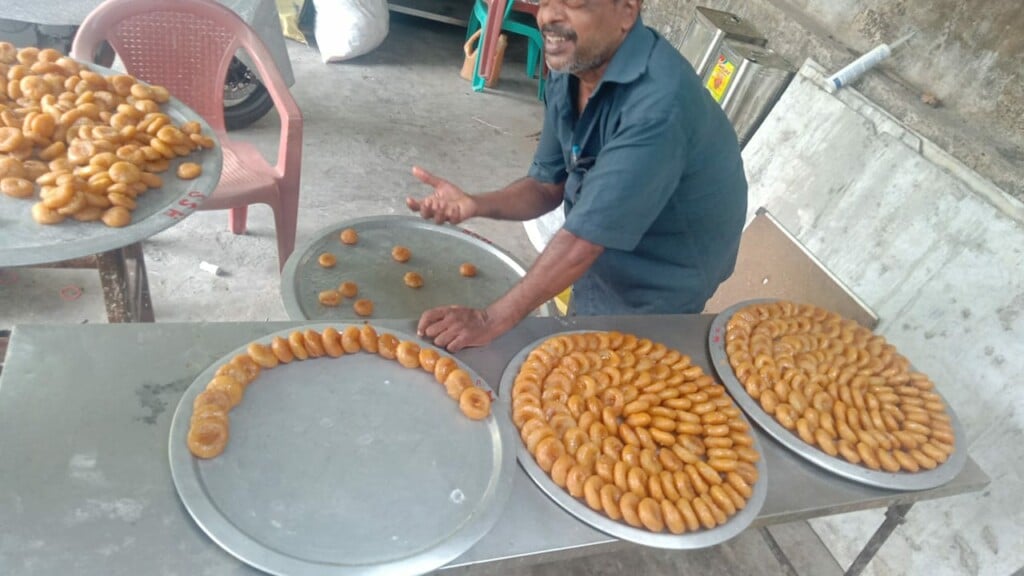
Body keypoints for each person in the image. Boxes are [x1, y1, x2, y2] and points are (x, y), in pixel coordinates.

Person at [407, 0, 748, 351]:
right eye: (544, 1)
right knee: (578, 332)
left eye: (572, 2)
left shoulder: (659, 107)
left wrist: (489, 320)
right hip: (600, 247)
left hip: (663, 271)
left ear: (627, 11)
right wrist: (475, 204)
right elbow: (546, 185)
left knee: (618, 371)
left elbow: (582, 243)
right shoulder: (571, 64)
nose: (548, 16)